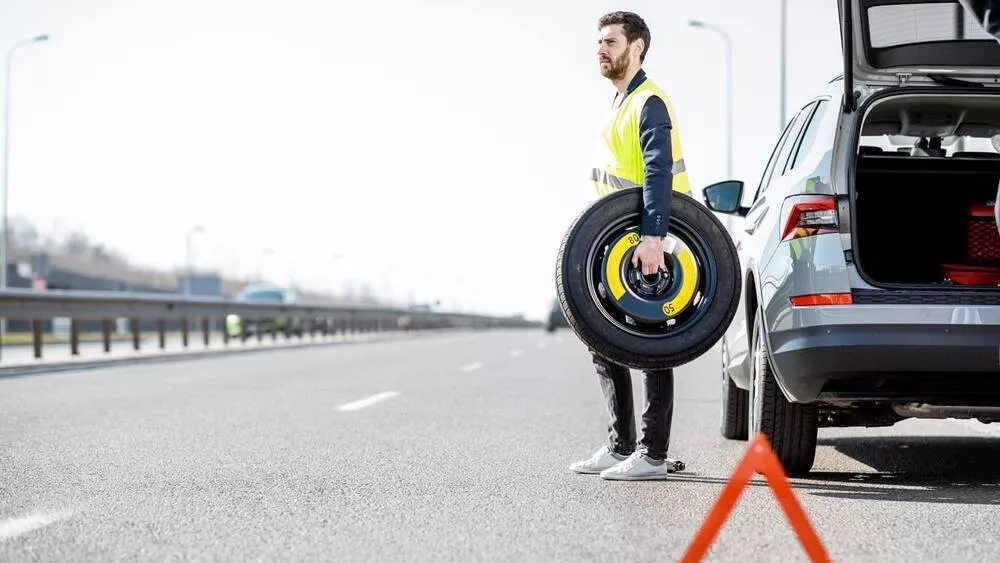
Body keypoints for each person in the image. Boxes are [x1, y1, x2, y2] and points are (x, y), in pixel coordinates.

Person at [569, 11, 690, 481]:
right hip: (613, 244)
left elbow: (658, 172)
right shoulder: (615, 104)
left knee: (650, 346)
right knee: (606, 342)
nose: (602, 49)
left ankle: (653, 455)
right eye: (599, 41)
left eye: (611, 41)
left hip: (649, 243)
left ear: (636, 47)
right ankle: (620, 446)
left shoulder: (649, 102)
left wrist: (654, 237)